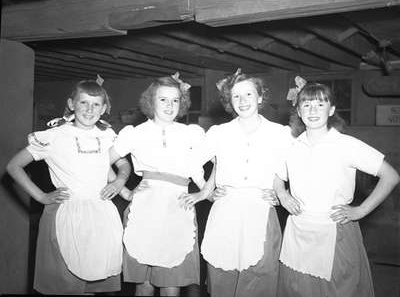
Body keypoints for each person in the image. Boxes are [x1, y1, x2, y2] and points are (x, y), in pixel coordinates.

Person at [274, 81, 400, 297]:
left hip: (335, 233)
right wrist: (283, 194)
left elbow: (391, 176)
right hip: (298, 233)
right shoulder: (292, 146)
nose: (313, 111)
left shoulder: (346, 145)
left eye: (320, 105)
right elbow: (278, 177)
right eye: (306, 105)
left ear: (331, 110)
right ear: (298, 110)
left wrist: (361, 210)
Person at [6, 79, 131, 295]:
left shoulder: (107, 135)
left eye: (95, 104)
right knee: (66, 284)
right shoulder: (55, 136)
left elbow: (122, 164)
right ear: (72, 104)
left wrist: (119, 181)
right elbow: (14, 166)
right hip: (66, 213)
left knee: (92, 279)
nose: (89, 110)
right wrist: (41, 196)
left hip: (100, 214)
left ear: (103, 109)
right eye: (83, 103)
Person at [180, 69, 293, 297]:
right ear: (229, 102)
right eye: (236, 96)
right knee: (223, 276)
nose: (243, 101)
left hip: (261, 210)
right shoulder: (219, 133)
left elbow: (289, 168)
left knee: (260, 278)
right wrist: (206, 191)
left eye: (249, 94)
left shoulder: (279, 133)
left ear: (260, 97)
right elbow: (193, 162)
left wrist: (282, 194)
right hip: (226, 211)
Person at [110, 72, 205, 296]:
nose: (169, 105)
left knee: (171, 284)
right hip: (145, 208)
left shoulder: (192, 134)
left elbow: (220, 162)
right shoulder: (135, 133)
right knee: (143, 284)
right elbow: (101, 162)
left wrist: (207, 192)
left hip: (178, 208)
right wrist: (122, 188)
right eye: (163, 99)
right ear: (151, 101)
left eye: (175, 100)